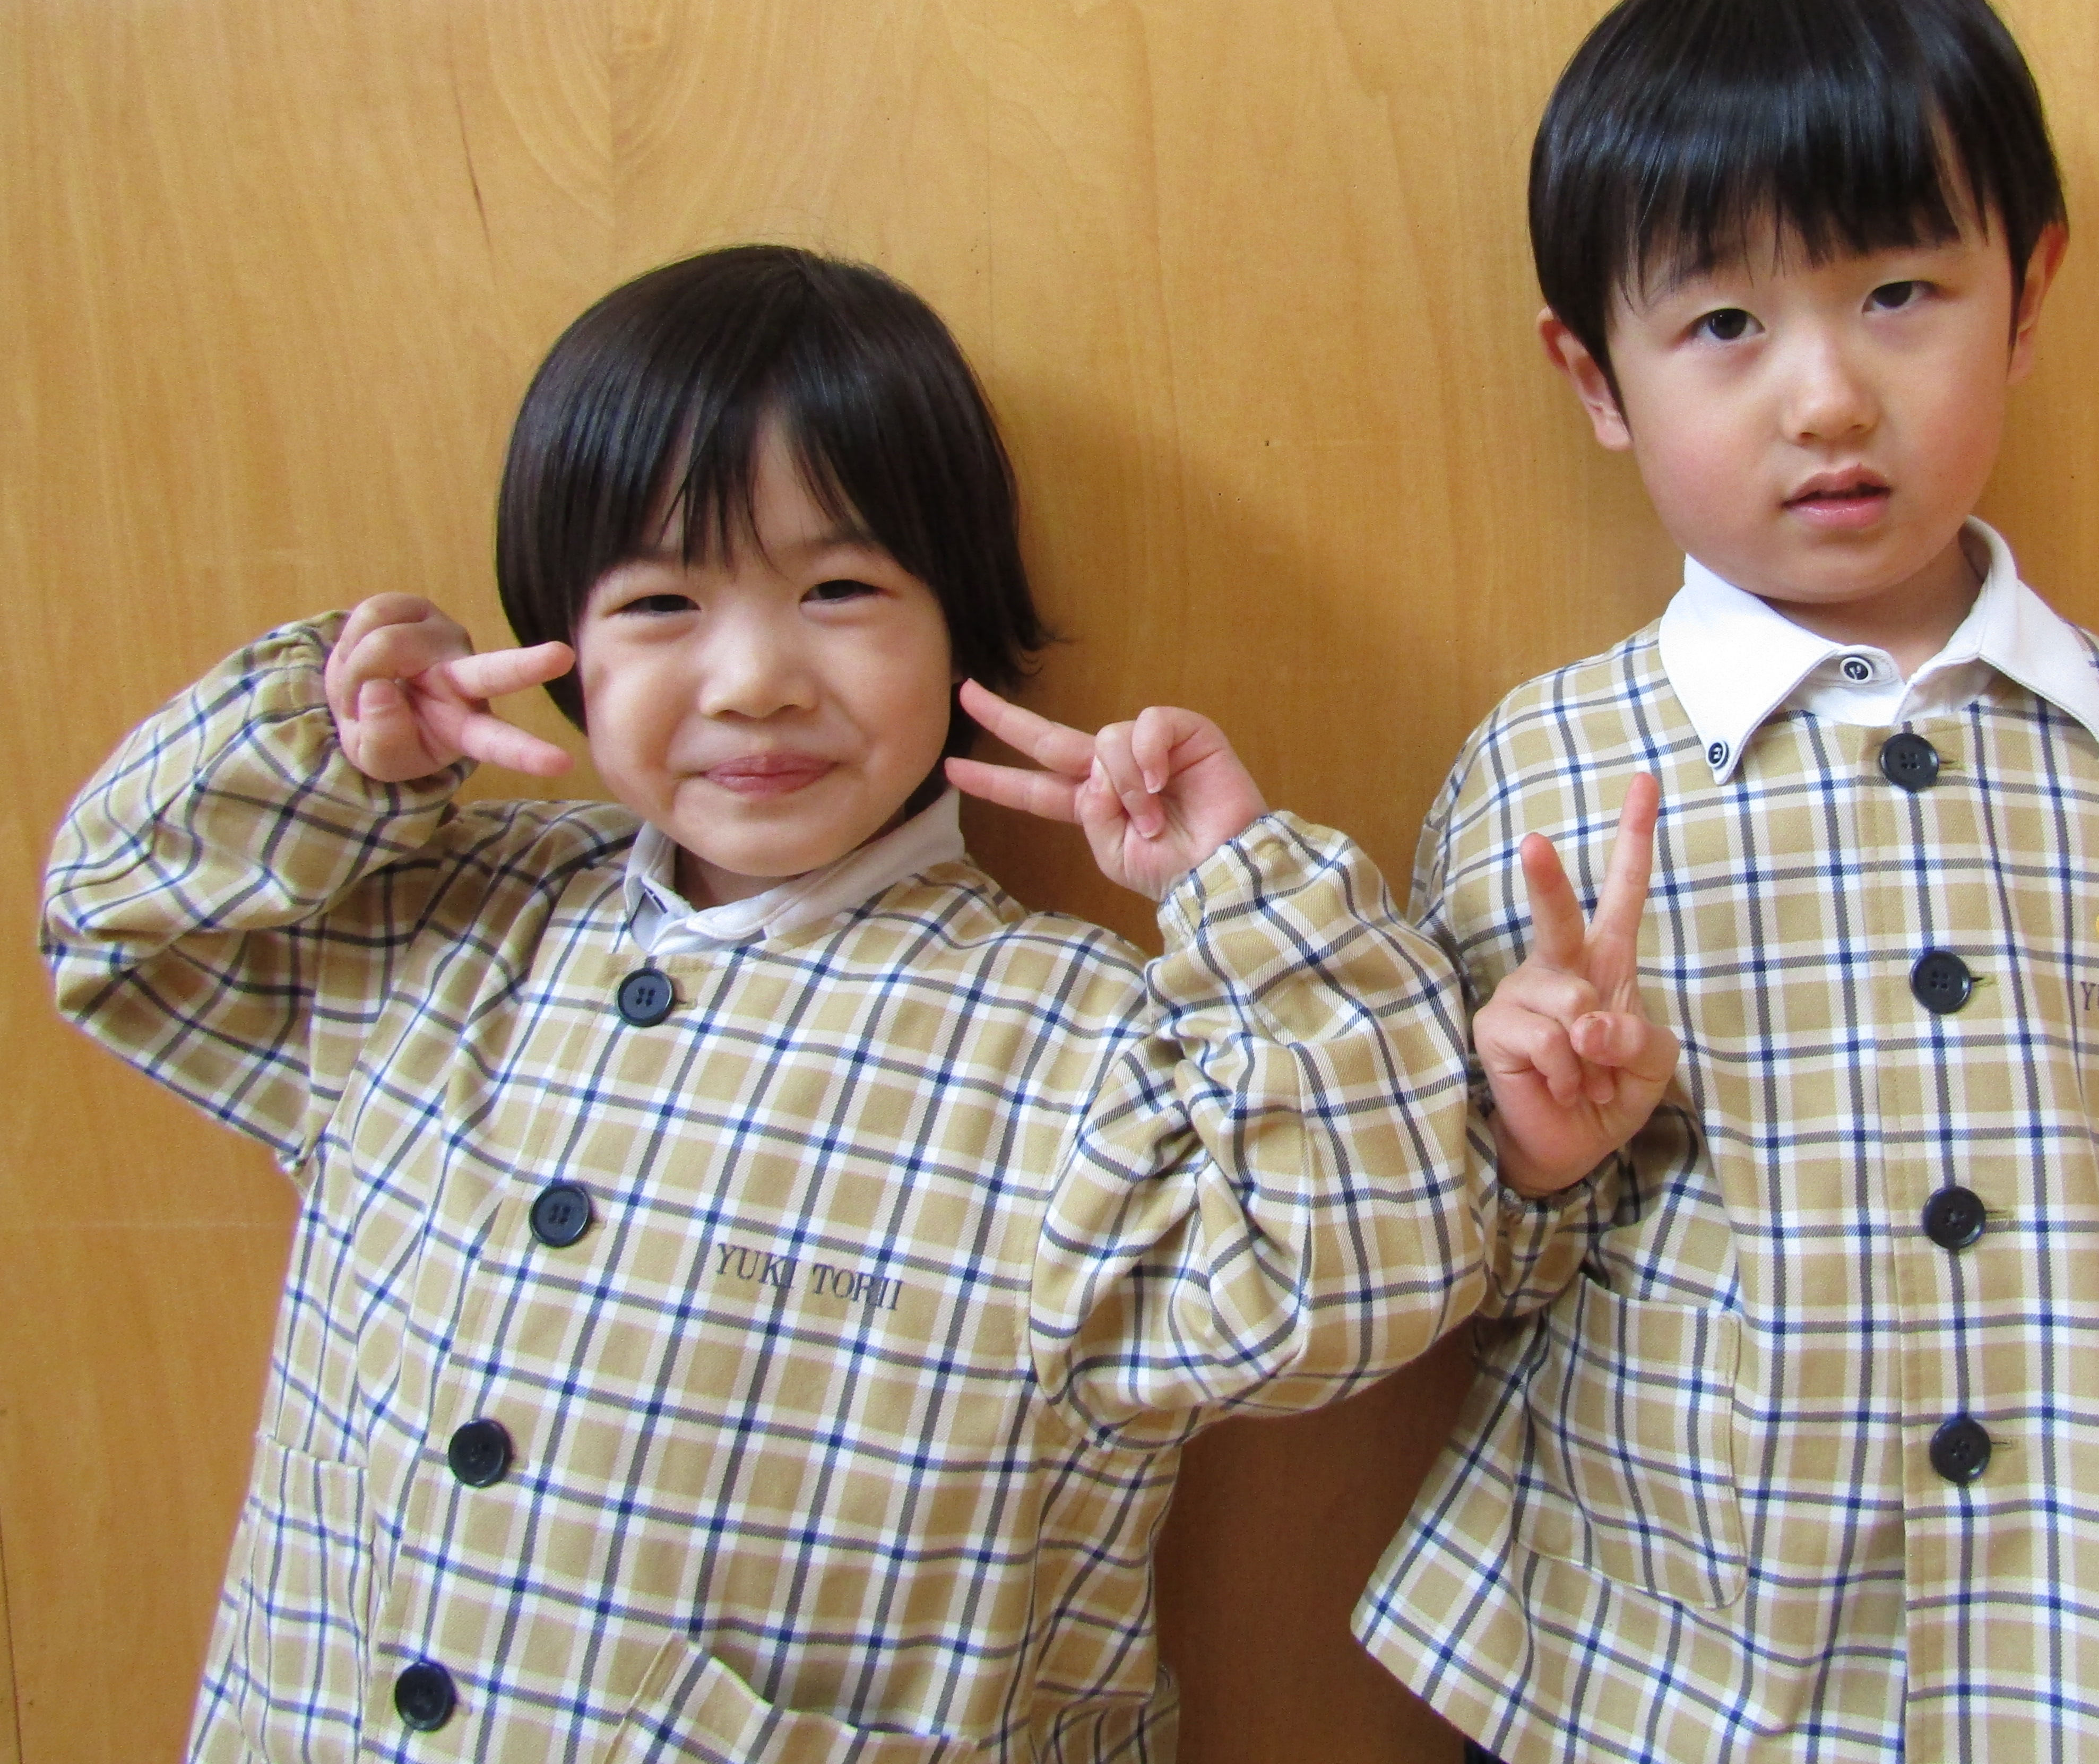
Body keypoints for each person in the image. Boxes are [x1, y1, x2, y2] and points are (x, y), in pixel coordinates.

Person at [40, 244, 1664, 1760]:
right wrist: (326, 757)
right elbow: (116, 926)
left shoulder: (1086, 1043)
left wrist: (1240, 888)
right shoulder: (447, 932)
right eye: (661, 605)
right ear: (559, 648)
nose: (755, 680)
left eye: (840, 592)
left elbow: (1363, 1275)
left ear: (960, 621)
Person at [1353, 0, 2099, 1763]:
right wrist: (1537, 1152)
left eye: (1900, 291)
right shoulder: (1547, 779)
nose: (1826, 397)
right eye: (1725, 326)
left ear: (2028, 294)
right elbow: (1443, 1265)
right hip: (1669, 1691)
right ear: (1596, 377)